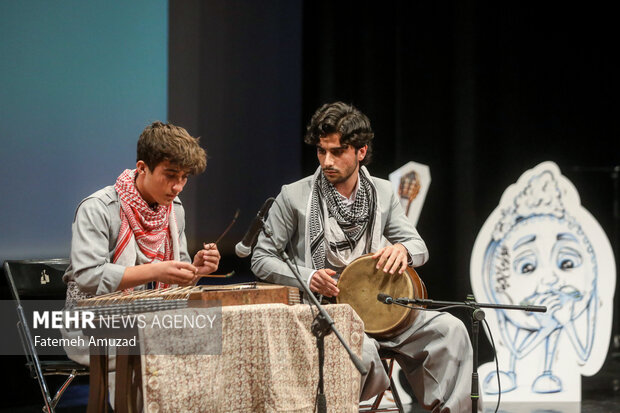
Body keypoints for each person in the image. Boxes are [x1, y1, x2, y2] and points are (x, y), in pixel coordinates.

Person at [251, 102, 475, 412]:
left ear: (360, 151)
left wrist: (402, 250)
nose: (327, 160)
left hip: (382, 311)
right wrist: (308, 276)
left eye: (338, 151)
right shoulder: (294, 196)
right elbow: (261, 257)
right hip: (328, 314)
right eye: (321, 151)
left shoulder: (382, 193)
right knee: (363, 350)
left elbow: (418, 247)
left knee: (450, 331)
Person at [63, 120, 220, 308]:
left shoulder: (174, 210)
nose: (178, 187)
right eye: (170, 175)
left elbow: (177, 287)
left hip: (148, 321)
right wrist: (154, 271)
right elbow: (88, 277)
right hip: (89, 324)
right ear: (142, 168)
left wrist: (196, 271)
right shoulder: (98, 208)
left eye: (184, 177)